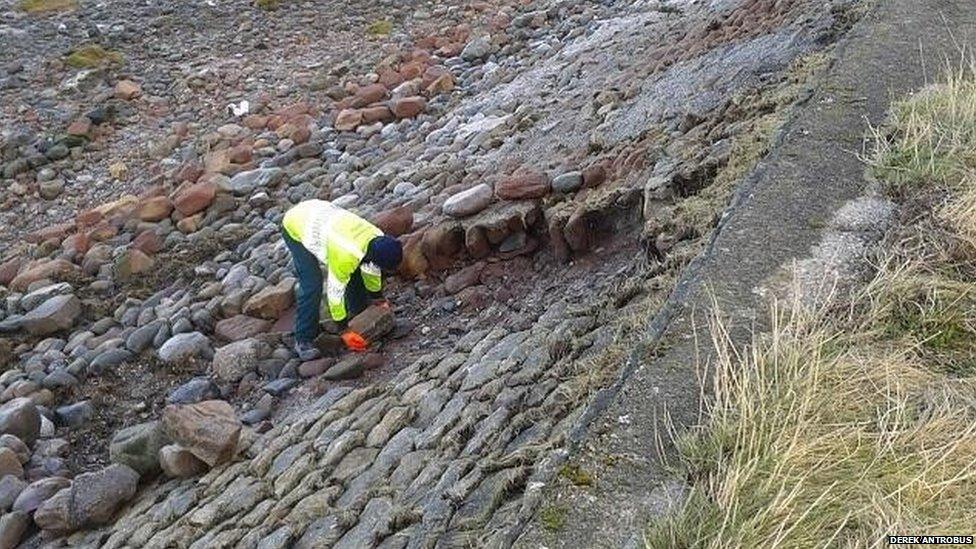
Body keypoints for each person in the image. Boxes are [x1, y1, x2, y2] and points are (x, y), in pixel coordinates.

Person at [281, 199, 403, 360]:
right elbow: (335, 292)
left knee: (358, 269)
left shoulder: (377, 237)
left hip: (318, 213)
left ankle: (358, 313)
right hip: (296, 224)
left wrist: (377, 299)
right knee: (312, 283)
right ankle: (303, 339)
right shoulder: (345, 256)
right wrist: (343, 330)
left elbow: (371, 268)